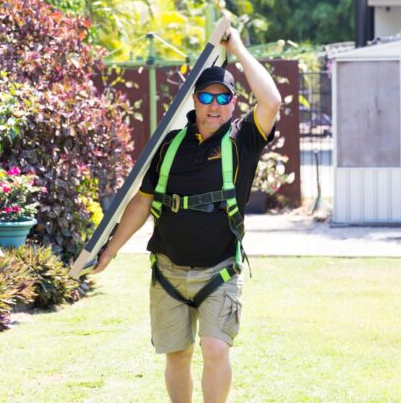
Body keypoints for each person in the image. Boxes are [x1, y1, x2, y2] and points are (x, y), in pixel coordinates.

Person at [92, 27, 281, 403]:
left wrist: (237, 47)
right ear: (195, 99)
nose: (214, 104)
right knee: (177, 356)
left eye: (223, 97)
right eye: (207, 96)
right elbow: (143, 200)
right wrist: (110, 251)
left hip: (219, 271)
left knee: (215, 349)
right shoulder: (170, 144)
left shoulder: (243, 139)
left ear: (232, 103)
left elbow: (272, 100)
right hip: (168, 272)